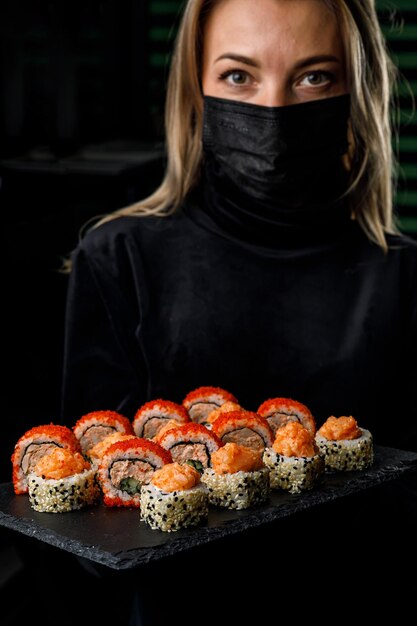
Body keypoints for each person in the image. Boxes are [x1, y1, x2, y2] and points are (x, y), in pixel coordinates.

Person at [51, 0, 417, 622]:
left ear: (357, 89)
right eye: (238, 76)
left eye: (314, 76)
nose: (273, 112)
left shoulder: (405, 273)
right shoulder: (118, 257)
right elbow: (84, 526)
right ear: (195, 88)